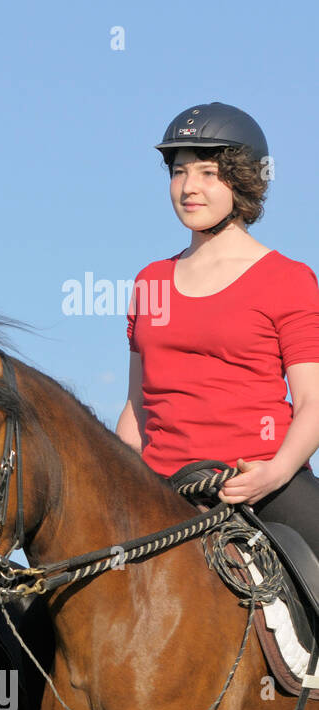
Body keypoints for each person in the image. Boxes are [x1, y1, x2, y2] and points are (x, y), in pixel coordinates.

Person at [117, 103, 319, 556]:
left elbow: (312, 402)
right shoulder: (149, 280)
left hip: (262, 484)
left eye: (208, 173)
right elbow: (136, 408)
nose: (189, 187)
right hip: (161, 491)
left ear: (241, 181)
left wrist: (276, 471)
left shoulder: (287, 278)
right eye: (179, 172)